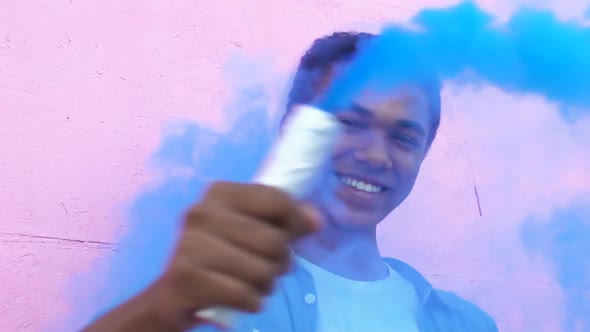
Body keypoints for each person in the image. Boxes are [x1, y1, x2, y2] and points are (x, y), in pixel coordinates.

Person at [83, 31, 498, 332]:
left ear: (422, 155)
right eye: (349, 122)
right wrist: (163, 306)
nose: (375, 154)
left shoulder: (468, 324)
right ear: (291, 132)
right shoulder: (210, 289)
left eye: (404, 137)